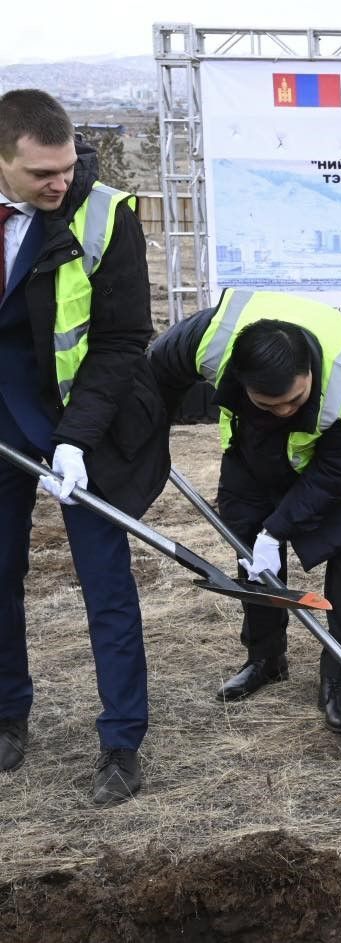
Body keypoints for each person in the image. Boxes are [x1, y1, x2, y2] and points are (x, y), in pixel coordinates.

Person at [0, 89, 169, 805]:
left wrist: (74, 440)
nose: (60, 182)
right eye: (42, 173)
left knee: (105, 581)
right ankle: (9, 714)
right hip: (4, 418)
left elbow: (124, 339)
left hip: (86, 421)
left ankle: (122, 738)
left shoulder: (106, 214)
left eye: (66, 166)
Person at [148, 291, 341, 734]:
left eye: (294, 400)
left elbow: (338, 472)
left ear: (309, 374)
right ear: (239, 381)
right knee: (247, 547)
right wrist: (148, 438)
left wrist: (278, 529)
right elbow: (152, 379)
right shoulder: (208, 340)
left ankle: (339, 677)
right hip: (254, 451)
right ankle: (265, 658)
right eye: (269, 403)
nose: (283, 411)